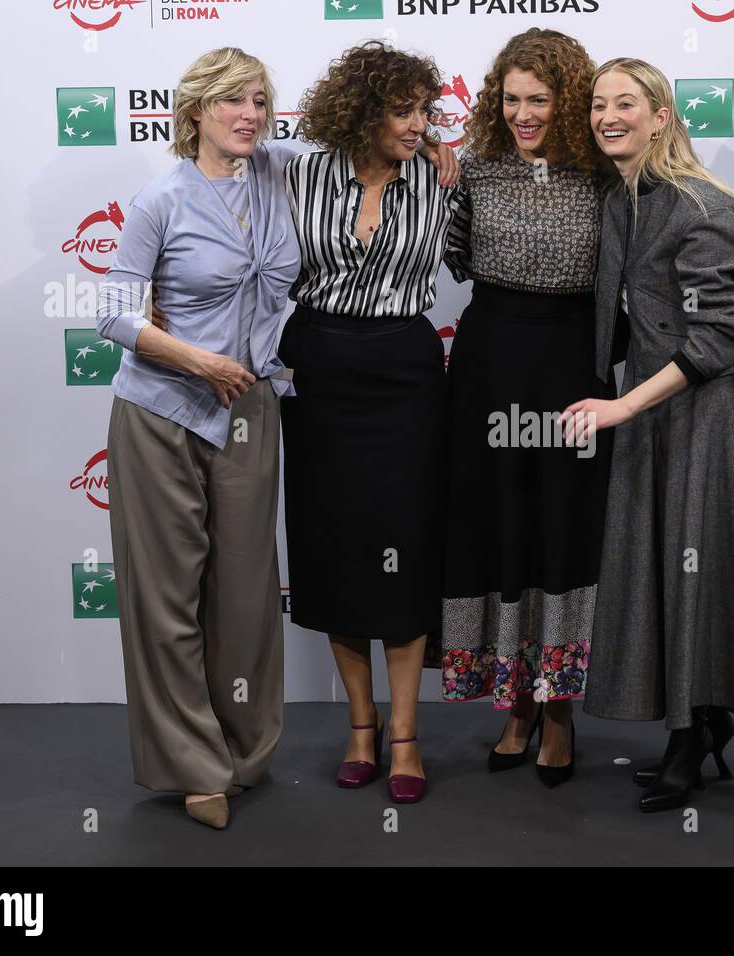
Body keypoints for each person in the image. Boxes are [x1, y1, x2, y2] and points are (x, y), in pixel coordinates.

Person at [566, 58, 734, 813]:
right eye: (598, 105)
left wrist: (624, 408)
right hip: (652, 411)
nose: (607, 116)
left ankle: (693, 737)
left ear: (662, 115)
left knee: (694, 577)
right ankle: (698, 722)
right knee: (660, 573)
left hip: (700, 418)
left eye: (625, 103)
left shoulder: (702, 204)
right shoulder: (623, 198)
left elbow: (723, 335)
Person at [97, 47, 299, 830]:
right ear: (194, 113)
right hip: (163, 410)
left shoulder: (282, 172)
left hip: (250, 408)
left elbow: (366, 143)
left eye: (257, 100)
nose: (248, 114)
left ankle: (244, 751)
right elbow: (112, 313)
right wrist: (195, 359)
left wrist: (435, 146)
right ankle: (191, 765)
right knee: (167, 595)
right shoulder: (161, 200)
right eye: (229, 102)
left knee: (247, 592)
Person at [277, 41, 464, 805]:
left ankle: (407, 735)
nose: (418, 124)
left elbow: (485, 256)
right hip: (318, 369)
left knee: (404, 549)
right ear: (361, 110)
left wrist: (445, 150)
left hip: (404, 373)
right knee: (333, 548)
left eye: (426, 111)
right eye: (402, 109)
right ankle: (360, 727)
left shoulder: (443, 176)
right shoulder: (297, 171)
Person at [439, 28, 614, 788]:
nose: (522, 113)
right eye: (510, 99)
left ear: (568, 99)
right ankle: (515, 699)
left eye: (538, 99)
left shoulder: (605, 177)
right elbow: (449, 256)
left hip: (575, 362)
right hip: (490, 361)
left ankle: (561, 706)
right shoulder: (474, 173)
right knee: (499, 516)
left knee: (564, 521)